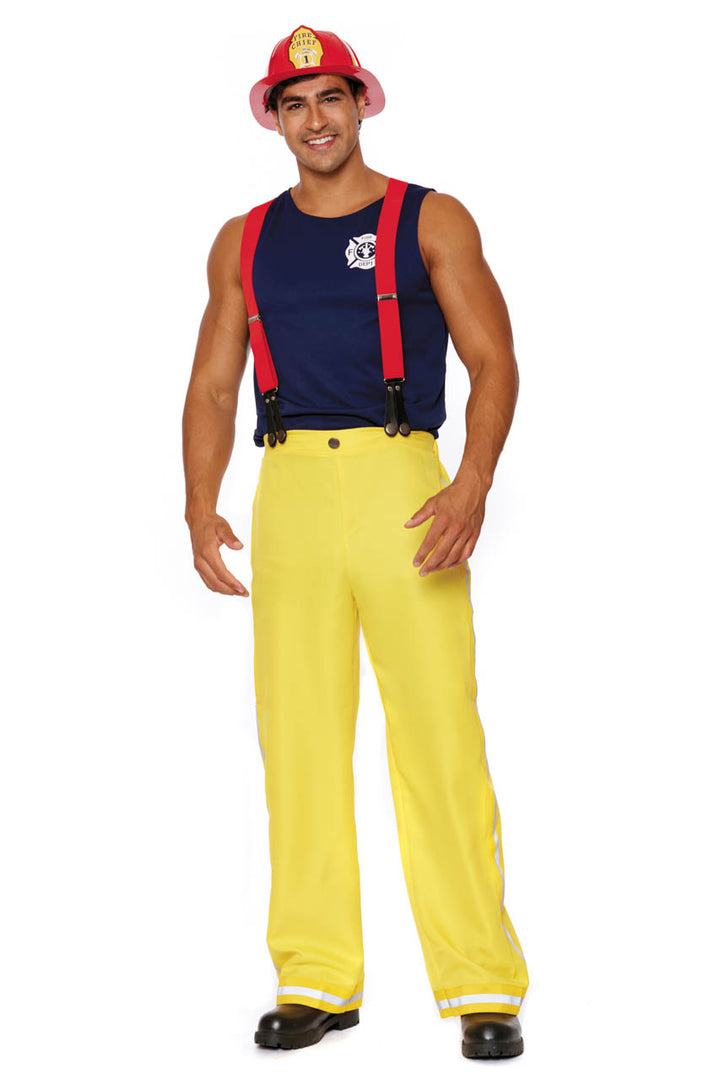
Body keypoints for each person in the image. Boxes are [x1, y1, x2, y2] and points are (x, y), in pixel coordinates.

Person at [182, 24, 530, 1060]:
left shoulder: (429, 218)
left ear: (361, 103)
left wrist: (471, 484)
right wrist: (199, 505)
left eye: (330, 97)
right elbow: (212, 384)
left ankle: (481, 982)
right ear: (275, 120)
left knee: (438, 737)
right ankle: (315, 976)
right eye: (293, 104)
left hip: (401, 484)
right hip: (288, 488)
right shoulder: (243, 239)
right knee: (297, 741)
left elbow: (494, 360)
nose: (315, 119)